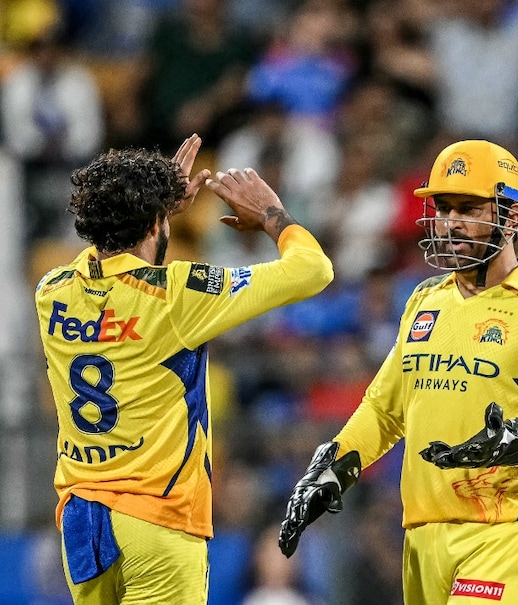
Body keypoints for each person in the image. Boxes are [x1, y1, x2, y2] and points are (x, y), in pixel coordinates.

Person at [279, 139, 518, 604]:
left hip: (502, 530)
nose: (451, 222)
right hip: (421, 536)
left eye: (468, 208)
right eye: (444, 208)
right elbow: (385, 409)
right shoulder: (424, 299)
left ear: (512, 215)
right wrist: (335, 465)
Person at [34, 133, 333, 603]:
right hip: (158, 520)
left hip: (82, 522)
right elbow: (313, 270)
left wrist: (151, 211)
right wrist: (271, 214)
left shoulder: (52, 290)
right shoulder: (176, 294)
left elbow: (108, 260)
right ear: (157, 223)